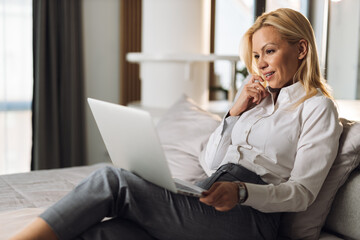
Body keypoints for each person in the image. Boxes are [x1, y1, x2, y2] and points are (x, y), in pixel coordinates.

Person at [11, 8, 342, 240]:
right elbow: (211, 163)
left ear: (301, 49)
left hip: (251, 220)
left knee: (112, 181)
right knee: (103, 233)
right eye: (256, 56)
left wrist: (241, 192)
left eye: (269, 51)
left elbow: (301, 194)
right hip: (209, 198)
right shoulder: (254, 102)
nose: (261, 64)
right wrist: (233, 115)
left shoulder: (316, 109)